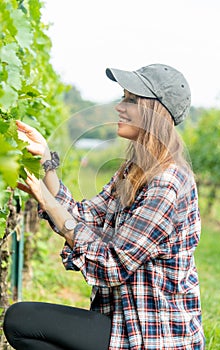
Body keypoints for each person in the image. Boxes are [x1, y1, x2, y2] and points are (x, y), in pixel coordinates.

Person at [3, 64, 205, 349]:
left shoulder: (167, 183)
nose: (119, 107)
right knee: (20, 322)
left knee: (22, 320)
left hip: (155, 336)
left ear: (154, 113)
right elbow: (81, 216)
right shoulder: (132, 172)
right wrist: (46, 159)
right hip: (123, 323)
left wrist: (47, 201)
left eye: (131, 100)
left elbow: (112, 263)